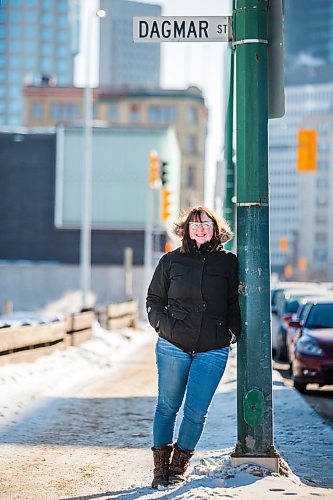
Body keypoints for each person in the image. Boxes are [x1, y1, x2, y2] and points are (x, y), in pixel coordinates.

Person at [146, 205, 242, 489]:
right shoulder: (171, 261)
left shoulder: (228, 262)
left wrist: (232, 332)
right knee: (167, 406)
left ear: (215, 229)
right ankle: (160, 467)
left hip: (212, 348)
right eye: (194, 224)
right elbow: (153, 298)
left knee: (196, 412)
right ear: (186, 229)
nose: (200, 228)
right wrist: (162, 326)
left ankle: (179, 465)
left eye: (206, 224)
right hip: (173, 345)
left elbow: (234, 302)